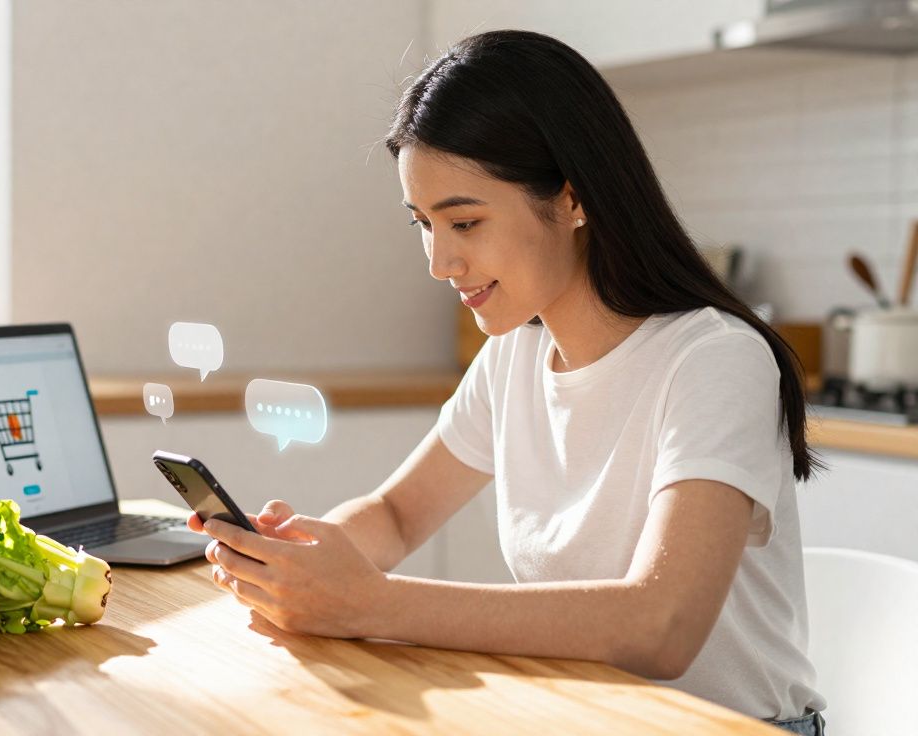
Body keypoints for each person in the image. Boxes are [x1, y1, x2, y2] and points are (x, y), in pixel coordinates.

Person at [185, 30, 827, 735]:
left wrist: (369, 602)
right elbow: (398, 516)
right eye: (423, 224)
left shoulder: (713, 360)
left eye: (464, 221)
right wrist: (303, 564)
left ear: (574, 198)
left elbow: (660, 625)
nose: (440, 261)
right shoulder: (516, 354)